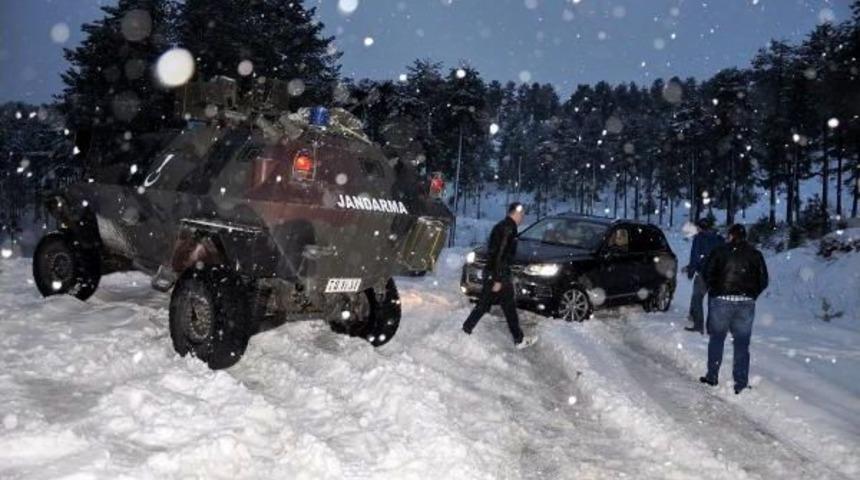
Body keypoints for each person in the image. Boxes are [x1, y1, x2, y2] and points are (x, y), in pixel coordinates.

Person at [699, 224, 768, 394]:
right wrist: (751, 295)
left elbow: (706, 272)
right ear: (744, 237)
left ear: (730, 236)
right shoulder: (755, 255)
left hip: (721, 301)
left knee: (717, 339)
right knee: (742, 344)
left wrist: (715, 290)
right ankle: (741, 383)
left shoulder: (719, 252)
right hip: (746, 304)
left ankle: (712, 376)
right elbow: (763, 280)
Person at [462, 202, 538, 349]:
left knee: (503, 307)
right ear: (515, 213)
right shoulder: (508, 229)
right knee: (486, 305)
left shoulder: (504, 226)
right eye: (521, 214)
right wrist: (497, 278)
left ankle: (518, 339)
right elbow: (500, 255)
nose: (523, 217)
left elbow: (497, 253)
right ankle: (467, 329)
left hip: (496, 274)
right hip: (498, 275)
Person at [683, 218, 725, 333]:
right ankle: (711, 328)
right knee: (712, 302)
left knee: (697, 299)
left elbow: (695, 256)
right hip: (717, 275)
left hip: (703, 274)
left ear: (701, 227)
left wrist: (691, 271)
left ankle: (698, 325)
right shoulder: (719, 239)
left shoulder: (699, 238)